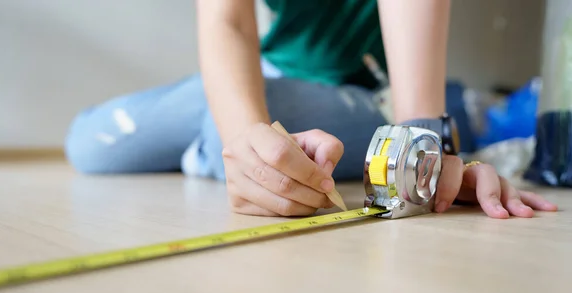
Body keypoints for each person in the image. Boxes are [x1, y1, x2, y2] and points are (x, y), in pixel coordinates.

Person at [65, 0, 557, 218]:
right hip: (278, 73)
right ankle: (212, 142)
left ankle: (464, 109)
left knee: (234, 130)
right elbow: (226, 21)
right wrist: (244, 139)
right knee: (90, 143)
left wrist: (421, 142)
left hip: (370, 87)